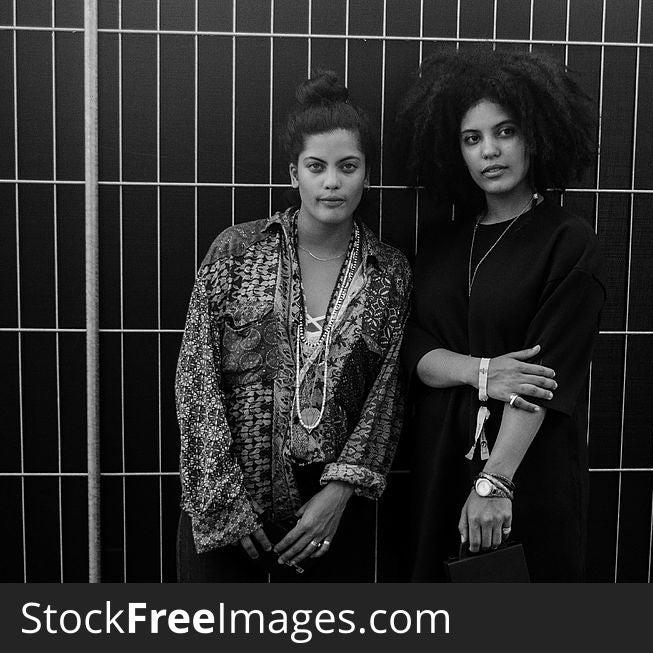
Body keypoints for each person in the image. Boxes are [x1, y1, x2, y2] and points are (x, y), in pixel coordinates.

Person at [175, 71, 411, 582]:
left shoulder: (388, 272)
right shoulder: (237, 251)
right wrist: (225, 497)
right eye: (316, 166)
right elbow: (196, 378)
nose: (332, 182)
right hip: (227, 506)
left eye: (348, 167)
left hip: (324, 520)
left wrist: (340, 491)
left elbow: (387, 393)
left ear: (367, 175)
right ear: (294, 173)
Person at [395, 48, 604, 581]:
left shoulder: (567, 240)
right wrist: (481, 371)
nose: (489, 151)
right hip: (440, 465)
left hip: (522, 474)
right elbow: (414, 350)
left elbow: (542, 374)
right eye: (472, 138)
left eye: (505, 132)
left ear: (535, 135)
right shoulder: (440, 245)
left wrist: (495, 482)